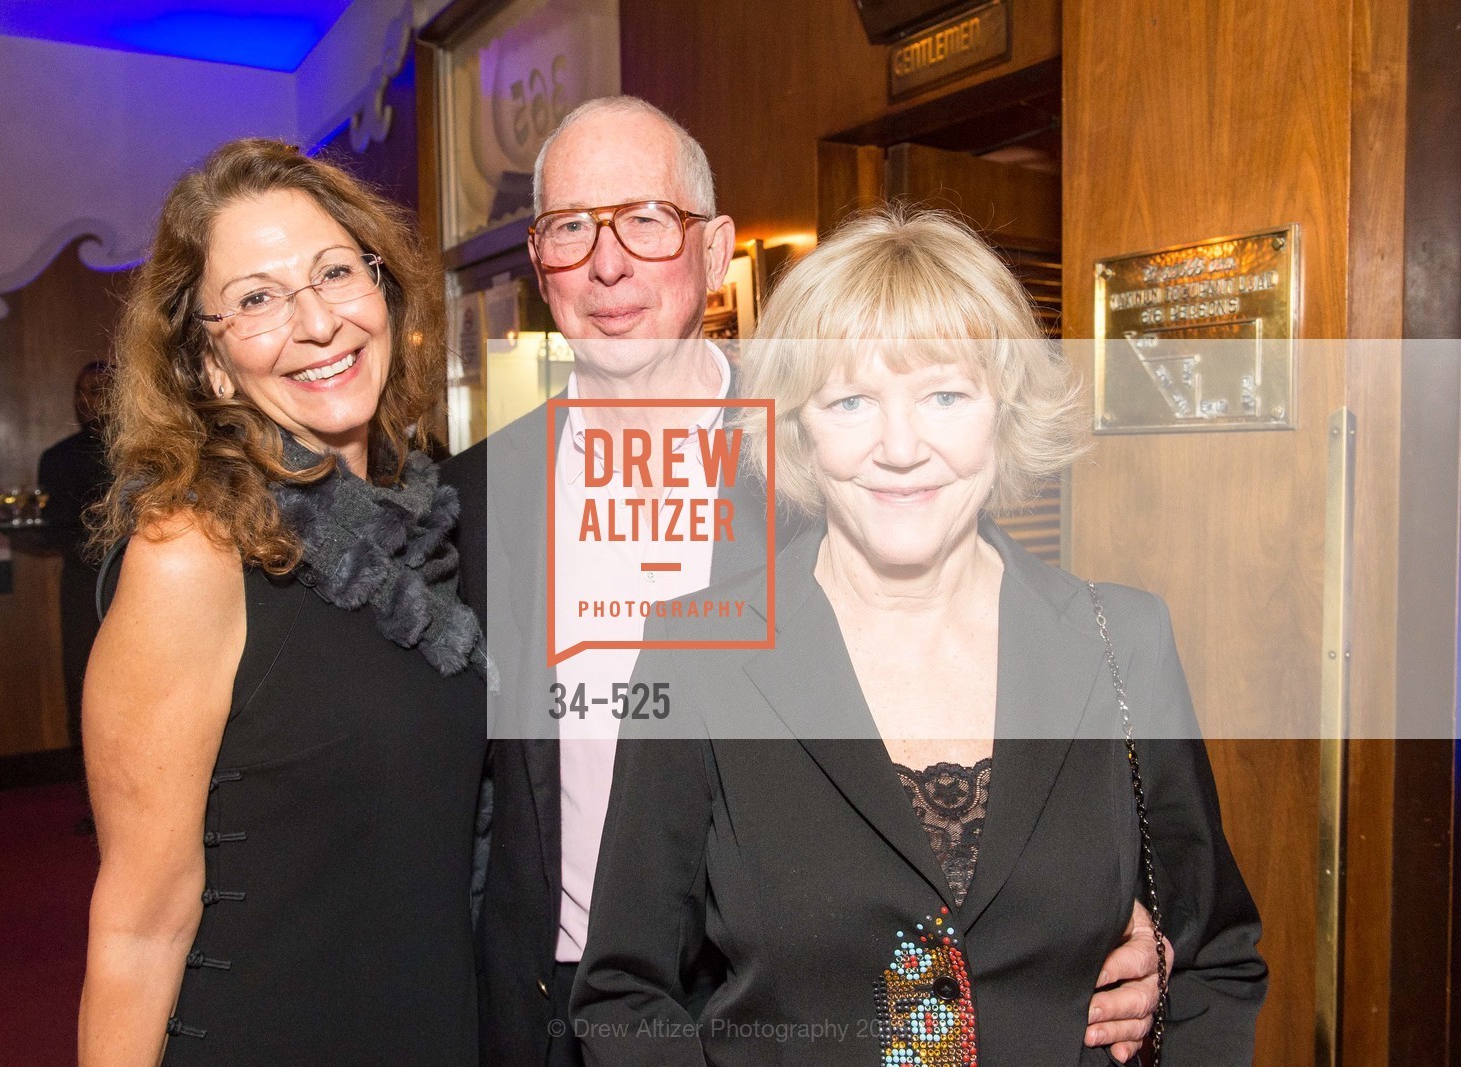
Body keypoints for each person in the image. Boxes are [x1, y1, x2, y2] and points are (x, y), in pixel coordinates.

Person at [445, 96, 1168, 1067]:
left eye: (645, 221)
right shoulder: (475, 496)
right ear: (540, 264)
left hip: (785, 1009)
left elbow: (1010, 711)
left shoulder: (838, 464)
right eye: (572, 227)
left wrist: (1115, 927)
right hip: (543, 1001)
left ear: (713, 249)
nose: (606, 261)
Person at [570, 208, 1268, 1065]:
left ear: (1002, 411)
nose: (901, 447)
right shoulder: (700, 654)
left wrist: (1160, 977)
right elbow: (623, 992)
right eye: (852, 400)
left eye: (945, 394)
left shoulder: (1121, 640)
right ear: (798, 427)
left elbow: (1218, 959)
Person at [78, 139, 486, 1064]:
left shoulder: (426, 524)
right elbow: (137, 927)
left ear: (384, 292)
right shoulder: (192, 552)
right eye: (257, 297)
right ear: (212, 363)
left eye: (336, 272)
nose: (316, 322)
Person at [39, 360, 113, 755]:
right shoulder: (58, 457)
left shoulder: (146, 450)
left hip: (141, 580)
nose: (87, 402)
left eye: (98, 391)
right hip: (84, 583)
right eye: (80, 393)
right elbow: (53, 525)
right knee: (83, 688)